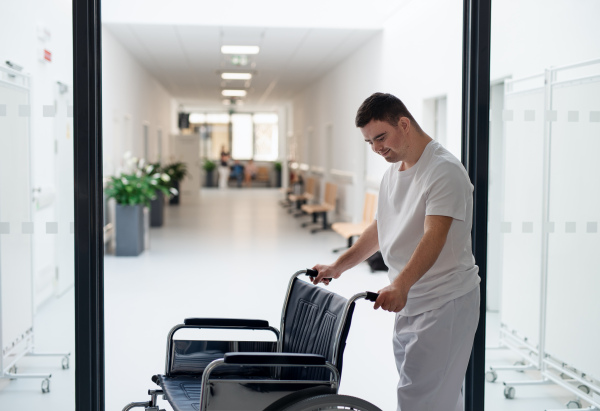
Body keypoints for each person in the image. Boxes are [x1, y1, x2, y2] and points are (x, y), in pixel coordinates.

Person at [311, 92, 480, 411]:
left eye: (380, 137)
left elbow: (435, 235)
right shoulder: (393, 172)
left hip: (445, 302)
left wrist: (401, 284)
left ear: (404, 124)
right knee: (433, 394)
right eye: (369, 142)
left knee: (420, 398)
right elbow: (379, 229)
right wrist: (338, 267)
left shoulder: (443, 170)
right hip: (410, 300)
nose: (376, 148)